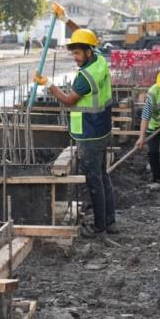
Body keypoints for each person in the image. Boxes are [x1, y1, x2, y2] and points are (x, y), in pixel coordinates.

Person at [35, 24, 117, 237]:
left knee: (94, 180)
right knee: (102, 176)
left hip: (90, 134)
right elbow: (87, 36)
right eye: (74, 53)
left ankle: (99, 227)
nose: (75, 58)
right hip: (103, 128)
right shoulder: (99, 60)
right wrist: (66, 19)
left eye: (78, 53)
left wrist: (48, 84)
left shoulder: (85, 78)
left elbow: (68, 100)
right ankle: (110, 222)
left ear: (88, 52)